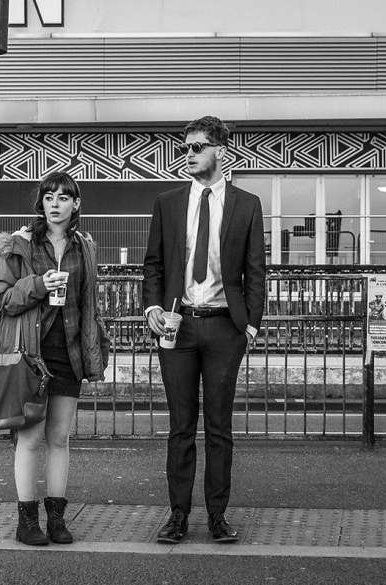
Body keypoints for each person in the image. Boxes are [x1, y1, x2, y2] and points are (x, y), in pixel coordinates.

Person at [142, 116, 266, 544]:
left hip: (223, 330)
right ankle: (177, 515)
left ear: (221, 152)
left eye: (198, 147)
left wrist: (249, 327)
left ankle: (217, 515)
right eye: (186, 147)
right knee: (180, 427)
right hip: (177, 328)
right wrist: (153, 307)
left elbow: (255, 271)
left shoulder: (247, 204)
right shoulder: (168, 202)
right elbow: (154, 264)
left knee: (219, 427)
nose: (189, 154)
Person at [0, 170, 109, 546]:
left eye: (63, 197)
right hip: (30, 355)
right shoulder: (20, 245)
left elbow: (90, 303)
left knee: (59, 437)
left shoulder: (84, 245)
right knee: (30, 438)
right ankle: (27, 521)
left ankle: (57, 519)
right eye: (49, 197)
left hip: (68, 354)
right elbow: (3, 299)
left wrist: (94, 352)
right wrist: (39, 285)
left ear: (76, 204)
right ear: (40, 203)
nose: (55, 204)